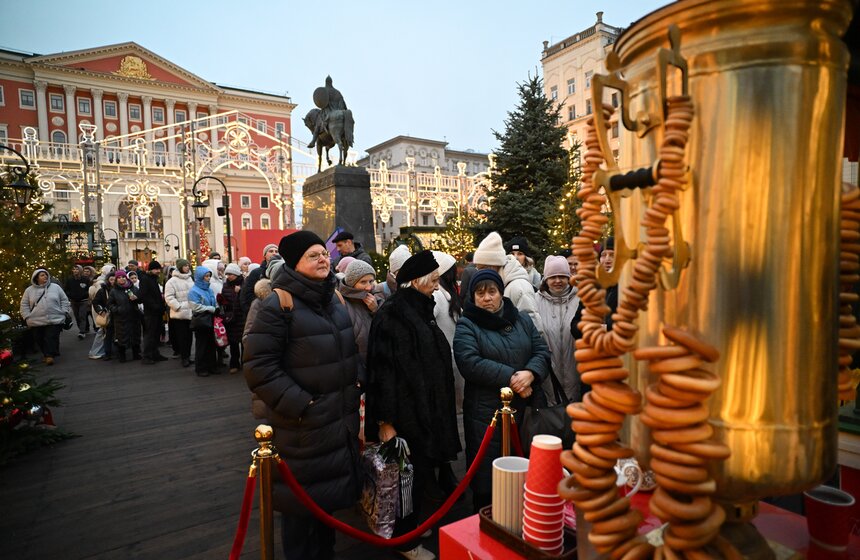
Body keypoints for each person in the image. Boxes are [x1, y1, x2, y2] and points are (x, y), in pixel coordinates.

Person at [244, 231, 363, 560]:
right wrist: (303, 404)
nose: (324, 259)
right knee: (300, 517)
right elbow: (258, 367)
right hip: (301, 431)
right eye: (314, 256)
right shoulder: (277, 305)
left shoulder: (334, 300)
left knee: (325, 517)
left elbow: (349, 352)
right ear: (295, 263)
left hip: (336, 425)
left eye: (323, 254)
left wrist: (356, 382)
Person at [365, 250, 461, 560]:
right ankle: (406, 541)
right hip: (406, 415)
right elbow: (381, 372)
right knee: (408, 479)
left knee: (418, 476)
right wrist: (385, 421)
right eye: (433, 280)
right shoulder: (392, 314)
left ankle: (412, 524)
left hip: (424, 409)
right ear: (416, 281)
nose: (437, 286)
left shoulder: (419, 307)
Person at [453, 269, 551, 512]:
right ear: (473, 297)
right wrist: (514, 378)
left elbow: (541, 351)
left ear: (501, 293)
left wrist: (531, 373)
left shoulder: (521, 319)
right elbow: (470, 362)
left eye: (492, 291)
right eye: (480, 293)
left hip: (526, 409)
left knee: (526, 472)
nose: (487, 298)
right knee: (488, 475)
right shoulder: (467, 324)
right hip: (487, 413)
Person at [431, 251, 465, 500]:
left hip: (452, 366)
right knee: (445, 420)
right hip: (444, 368)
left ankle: (448, 472)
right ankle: (446, 472)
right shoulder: (438, 296)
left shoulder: (447, 294)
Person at [472, 232, 543, 334]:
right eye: (478, 269)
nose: (479, 273)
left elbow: (534, 328)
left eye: (482, 268)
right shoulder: (500, 283)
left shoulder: (519, 287)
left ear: (492, 266)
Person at [536, 255, 582, 404]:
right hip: (548, 378)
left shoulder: (581, 298)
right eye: (553, 276)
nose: (557, 281)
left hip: (577, 372)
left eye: (562, 276)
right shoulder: (535, 301)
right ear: (546, 279)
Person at [20, 268, 70, 365]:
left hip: (55, 318)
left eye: (46, 275)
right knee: (39, 338)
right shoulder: (29, 290)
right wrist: (26, 316)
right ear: (36, 278)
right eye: (42, 275)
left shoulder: (55, 287)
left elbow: (64, 300)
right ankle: (47, 354)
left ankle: (49, 356)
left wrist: (64, 311)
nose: (45, 277)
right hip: (36, 320)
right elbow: (24, 304)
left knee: (50, 337)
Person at [339, 259, 379, 363]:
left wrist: (376, 310)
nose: (369, 287)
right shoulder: (342, 304)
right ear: (351, 284)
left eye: (371, 281)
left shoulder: (378, 298)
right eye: (363, 282)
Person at [188, 266, 218, 377]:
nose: (208, 278)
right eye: (206, 276)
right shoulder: (194, 291)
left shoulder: (209, 289)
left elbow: (212, 301)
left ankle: (212, 366)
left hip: (210, 319)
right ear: (200, 277)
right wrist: (210, 309)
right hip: (201, 321)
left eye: (209, 276)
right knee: (202, 345)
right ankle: (201, 368)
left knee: (211, 344)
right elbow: (195, 307)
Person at [164, 259, 195, 368]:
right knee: (182, 337)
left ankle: (188, 356)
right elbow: (168, 297)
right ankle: (184, 358)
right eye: (185, 266)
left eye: (188, 265)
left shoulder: (190, 278)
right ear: (180, 267)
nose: (187, 267)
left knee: (189, 337)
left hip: (191, 312)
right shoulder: (172, 281)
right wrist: (178, 307)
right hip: (179, 314)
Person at [108, 270, 141, 363]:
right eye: (119, 278)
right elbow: (110, 304)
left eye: (123, 277)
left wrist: (136, 298)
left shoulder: (133, 288)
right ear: (116, 280)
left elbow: (140, 299)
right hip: (121, 318)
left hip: (134, 316)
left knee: (135, 334)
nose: (121, 279)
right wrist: (117, 309)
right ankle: (122, 355)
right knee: (122, 336)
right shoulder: (114, 291)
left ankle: (136, 353)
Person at [138, 260, 168, 364]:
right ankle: (147, 356)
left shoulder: (154, 279)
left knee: (156, 334)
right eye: (156, 269)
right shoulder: (145, 279)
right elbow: (143, 296)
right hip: (150, 312)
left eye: (159, 269)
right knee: (150, 335)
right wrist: (155, 306)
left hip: (157, 311)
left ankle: (155, 353)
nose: (158, 271)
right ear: (150, 270)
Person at [240, 243, 279, 317]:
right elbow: (247, 293)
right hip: (260, 311)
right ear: (264, 255)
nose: (274, 253)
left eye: (276, 251)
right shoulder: (256, 272)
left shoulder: (283, 271)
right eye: (271, 251)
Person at [221, 263, 245, 374]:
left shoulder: (244, 284)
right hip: (231, 319)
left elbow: (245, 300)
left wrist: (239, 292)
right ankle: (234, 363)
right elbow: (224, 301)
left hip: (243, 317)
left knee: (245, 342)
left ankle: (245, 362)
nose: (228, 276)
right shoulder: (225, 285)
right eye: (227, 274)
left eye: (230, 274)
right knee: (233, 343)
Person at [88, 264, 116, 360]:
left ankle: (113, 351)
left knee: (114, 334)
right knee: (104, 334)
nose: (113, 281)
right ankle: (101, 352)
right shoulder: (102, 288)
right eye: (111, 279)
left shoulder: (119, 288)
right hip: (106, 315)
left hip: (117, 315)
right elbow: (95, 300)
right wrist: (100, 310)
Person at [64, 264, 91, 339]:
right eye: (74, 269)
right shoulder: (70, 279)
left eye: (77, 269)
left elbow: (89, 289)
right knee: (77, 316)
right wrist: (70, 295)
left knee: (82, 315)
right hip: (74, 301)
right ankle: (82, 329)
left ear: (80, 270)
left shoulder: (85, 279)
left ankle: (82, 332)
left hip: (83, 301)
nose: (75, 271)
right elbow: (66, 289)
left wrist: (85, 295)